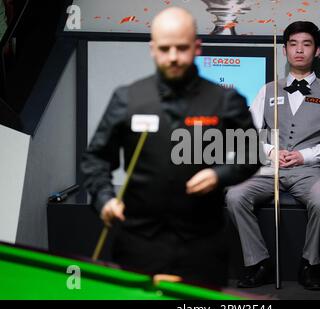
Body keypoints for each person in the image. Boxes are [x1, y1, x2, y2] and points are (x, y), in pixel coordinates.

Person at [81, 7, 260, 287]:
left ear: (197, 47)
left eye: (182, 48)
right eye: (165, 49)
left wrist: (218, 175)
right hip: (138, 242)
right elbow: (95, 159)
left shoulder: (226, 100)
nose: (173, 57)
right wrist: (104, 199)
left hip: (202, 245)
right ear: (153, 49)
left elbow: (252, 155)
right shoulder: (127, 99)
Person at [226, 21, 320, 290]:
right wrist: (271, 151)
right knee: (235, 196)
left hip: (308, 171)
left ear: (316, 51)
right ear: (285, 50)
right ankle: (258, 263)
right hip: (270, 168)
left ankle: (310, 263)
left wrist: (305, 156)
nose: (299, 50)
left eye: (306, 44)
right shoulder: (268, 90)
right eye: (293, 44)